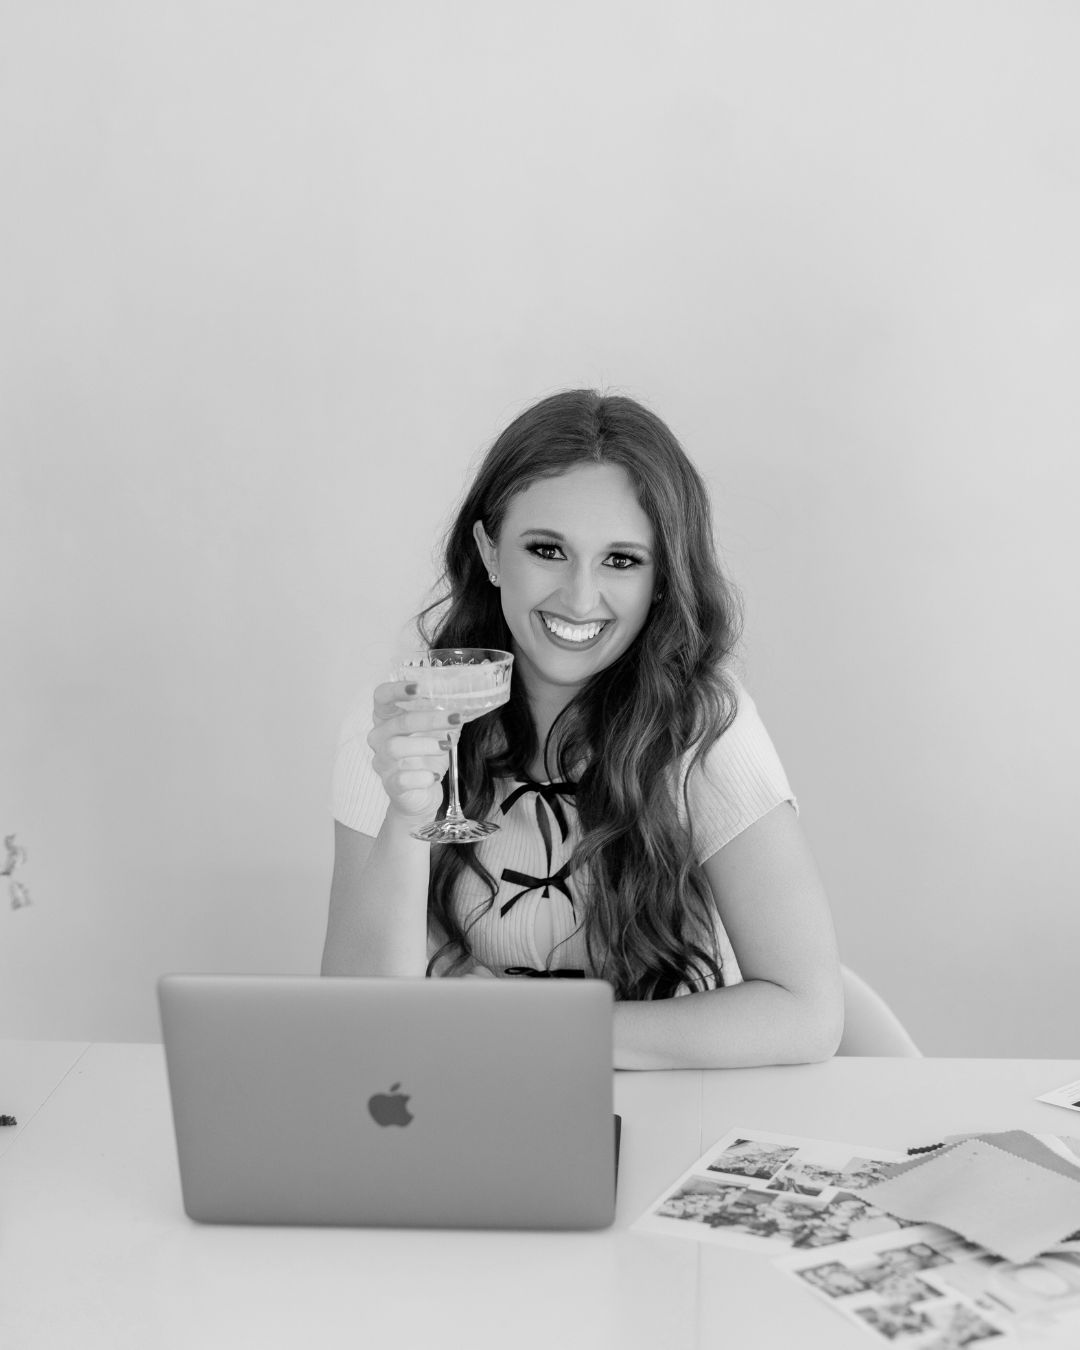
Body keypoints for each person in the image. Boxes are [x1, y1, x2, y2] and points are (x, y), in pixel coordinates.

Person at [323, 390, 843, 1069]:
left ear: (663, 577)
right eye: (547, 549)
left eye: (621, 560)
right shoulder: (400, 720)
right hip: (473, 1107)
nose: (578, 598)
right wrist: (405, 819)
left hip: (670, 1114)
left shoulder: (704, 725)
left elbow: (806, 1014)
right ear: (489, 552)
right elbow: (361, 1026)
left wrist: (536, 1026)